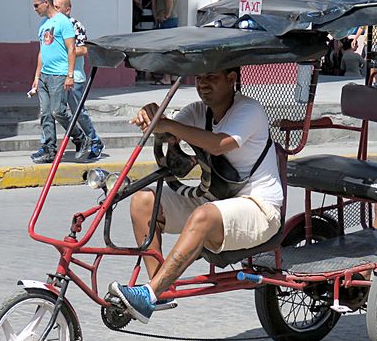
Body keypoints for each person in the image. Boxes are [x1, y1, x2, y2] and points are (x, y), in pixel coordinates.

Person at [108, 68, 283, 323]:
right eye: (199, 77)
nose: (203, 83)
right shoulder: (197, 111)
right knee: (143, 201)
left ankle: (148, 294)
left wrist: (167, 123)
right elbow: (168, 131)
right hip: (216, 200)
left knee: (203, 216)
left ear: (231, 79)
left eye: (212, 76)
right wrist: (152, 112)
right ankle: (158, 290)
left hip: (259, 207)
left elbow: (217, 143)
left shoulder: (249, 110)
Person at [28, 0, 81, 164]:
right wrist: (36, 77)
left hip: (59, 75)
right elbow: (42, 53)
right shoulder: (44, 25)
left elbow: (71, 49)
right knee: (45, 114)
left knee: (58, 111)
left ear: (45, 3)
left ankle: (80, 137)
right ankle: (49, 149)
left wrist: (70, 75)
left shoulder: (63, 22)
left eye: (36, 5)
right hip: (44, 76)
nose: (34, 9)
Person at [53, 0, 104, 162]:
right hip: (56, 75)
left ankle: (95, 141)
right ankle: (79, 138)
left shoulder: (76, 26)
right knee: (56, 112)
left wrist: (68, 51)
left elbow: (84, 49)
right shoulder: (51, 25)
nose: (55, 9)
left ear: (67, 10)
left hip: (74, 77)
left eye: (58, 7)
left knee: (78, 112)